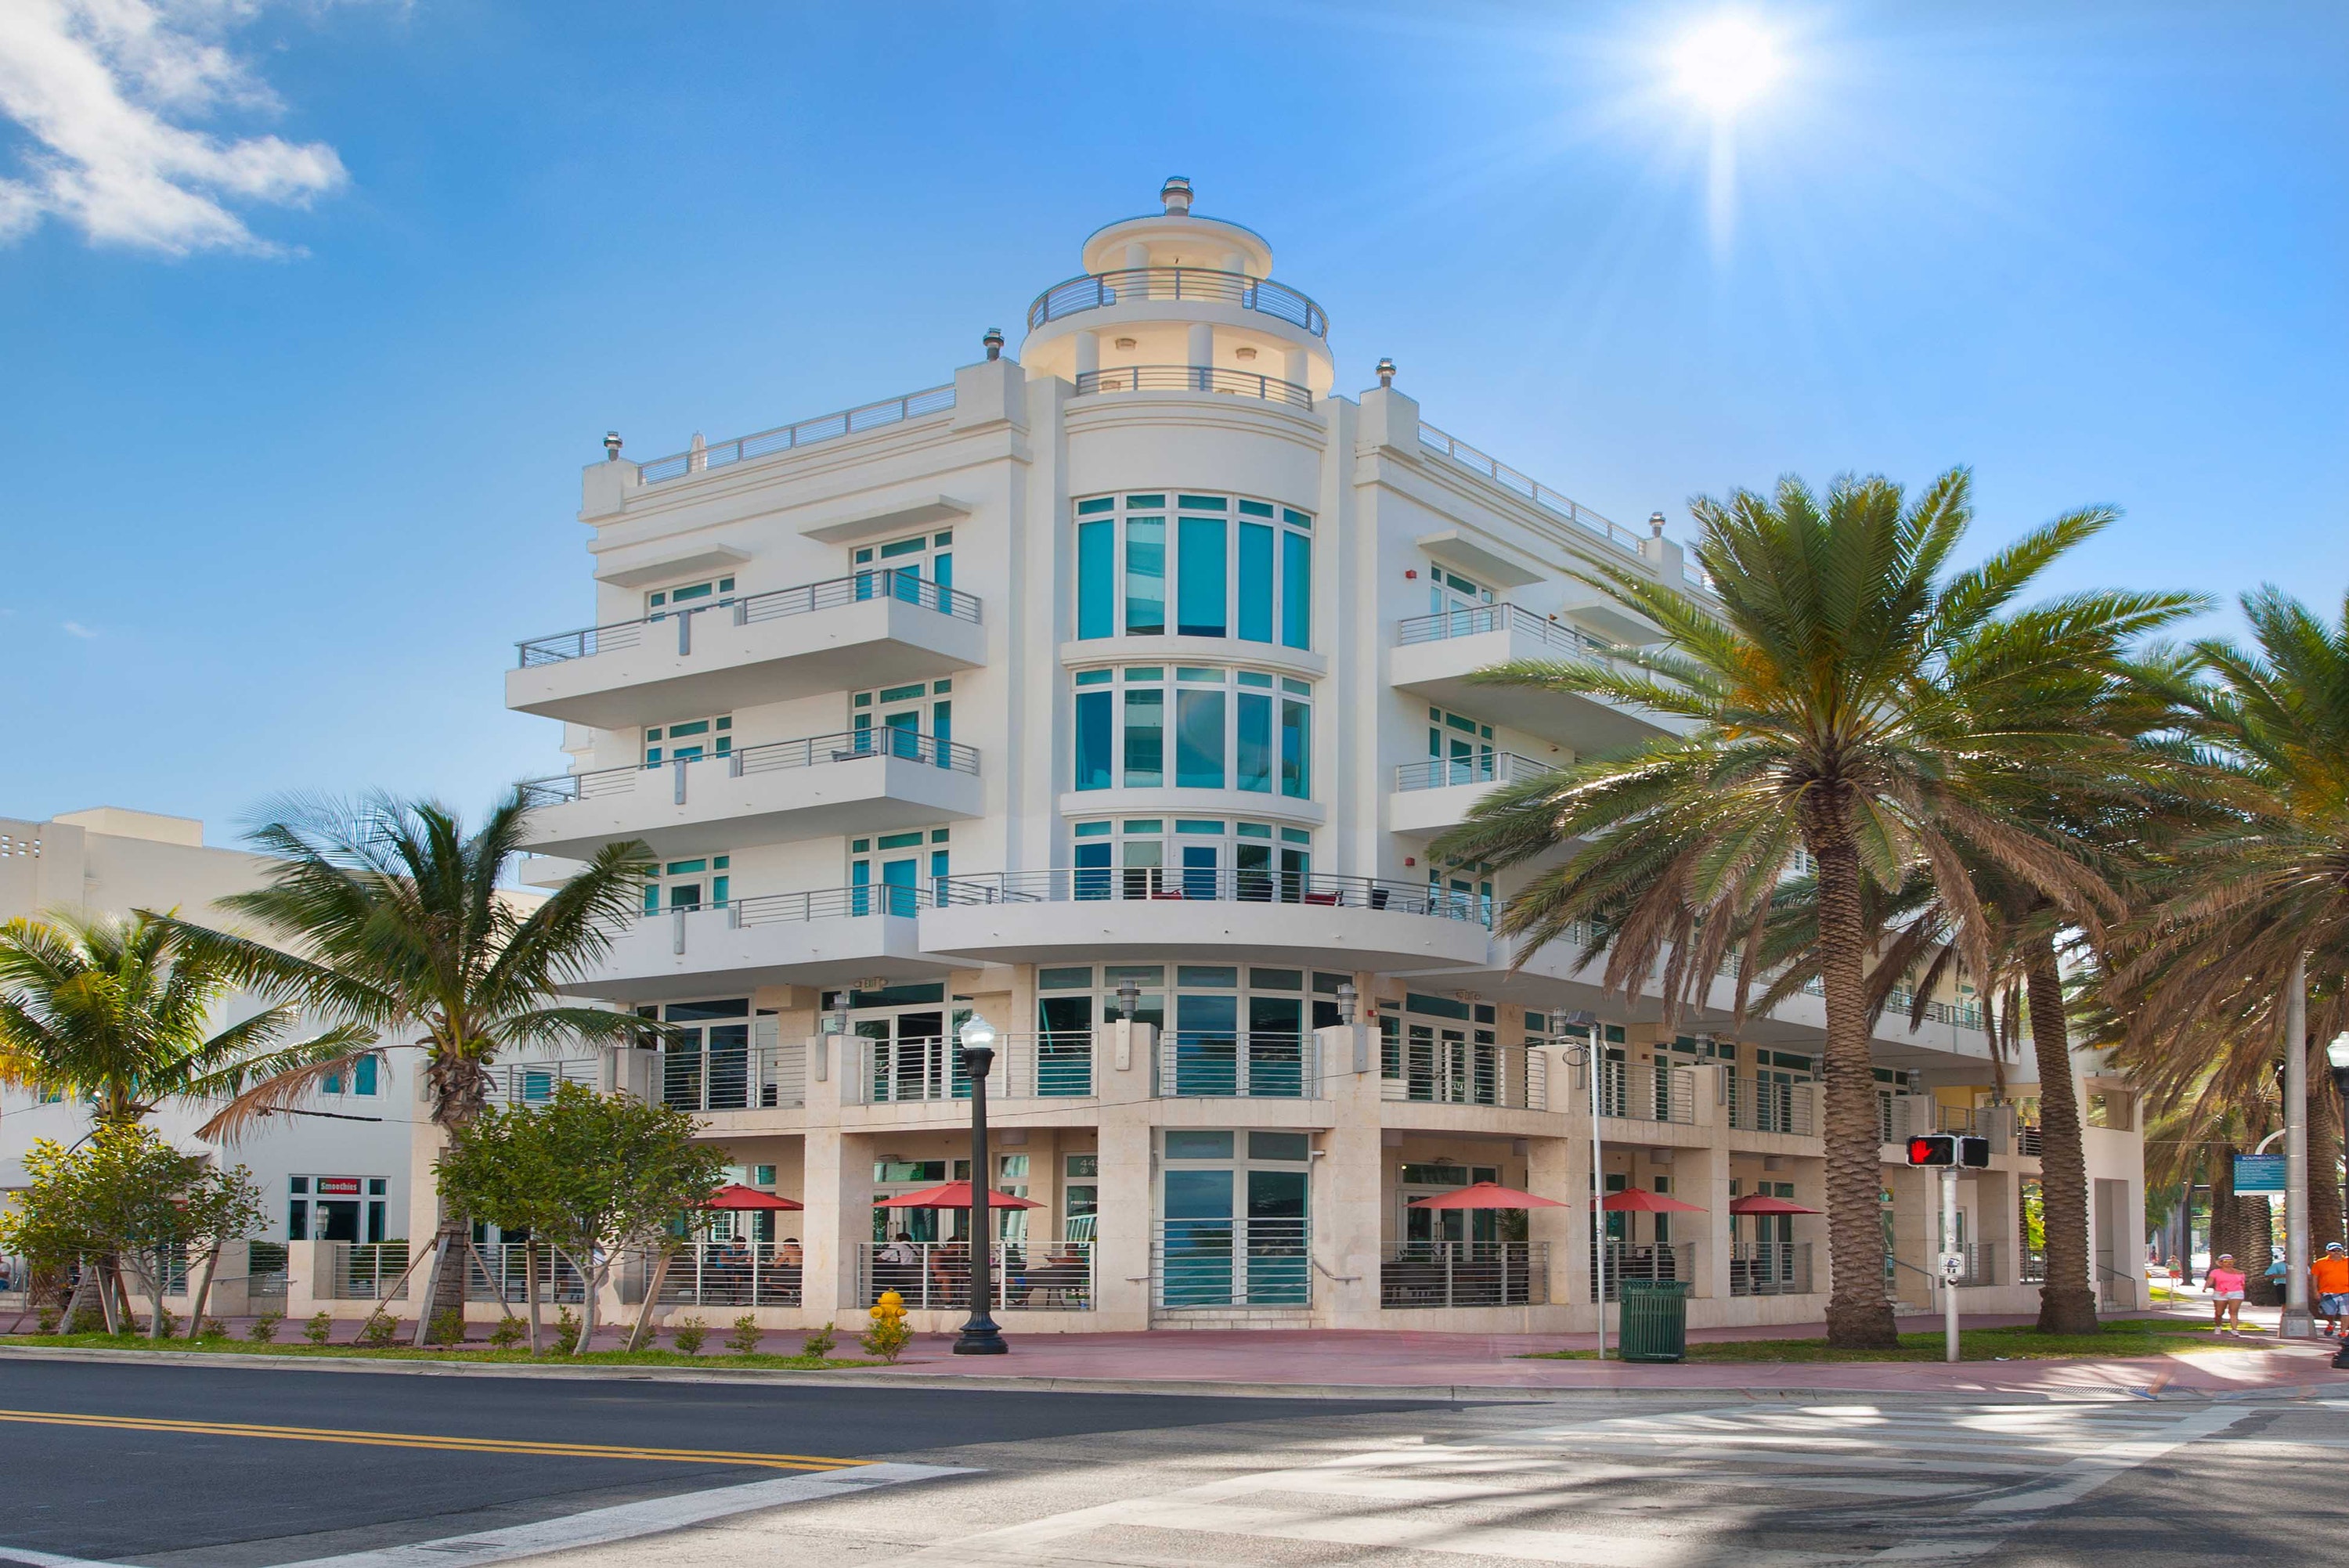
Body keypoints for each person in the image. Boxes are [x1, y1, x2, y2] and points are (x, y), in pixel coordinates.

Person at [2311, 1242, 2349, 1337]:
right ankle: (2331, 1323)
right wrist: (2315, 1291)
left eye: (2339, 1250)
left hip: (2346, 1291)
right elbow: (2315, 1277)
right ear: (2328, 1252)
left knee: (2346, 1312)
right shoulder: (2320, 1263)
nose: (2336, 1253)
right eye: (2333, 1251)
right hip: (2328, 1291)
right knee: (2328, 1312)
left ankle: (2343, 1332)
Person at [2207, 1253, 2247, 1332]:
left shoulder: (2240, 1273)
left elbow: (2243, 1284)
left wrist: (2241, 1291)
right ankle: (2218, 1326)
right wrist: (2206, 1287)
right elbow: (2210, 1280)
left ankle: (2234, 1329)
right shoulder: (2215, 1272)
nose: (2229, 1263)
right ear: (2221, 1263)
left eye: (2231, 1261)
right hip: (2220, 1293)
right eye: (2226, 1261)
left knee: (2233, 1311)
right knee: (2219, 1312)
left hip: (2236, 1293)